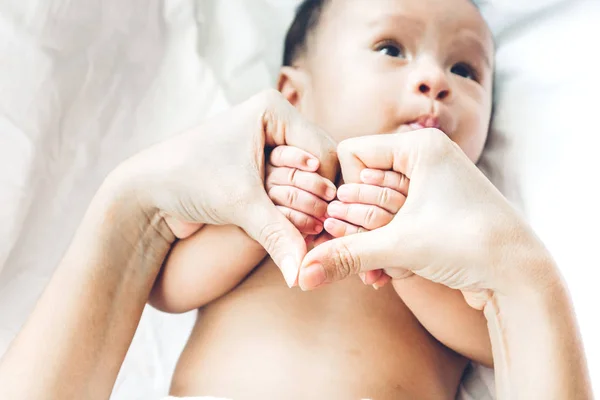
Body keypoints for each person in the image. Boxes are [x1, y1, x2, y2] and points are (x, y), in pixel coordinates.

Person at [150, 0, 496, 398]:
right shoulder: (259, 186)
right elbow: (166, 289)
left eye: (464, 70)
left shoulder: (461, 222)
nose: (435, 79)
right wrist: (256, 225)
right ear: (293, 96)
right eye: (391, 49)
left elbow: (498, 338)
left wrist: (411, 264)